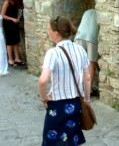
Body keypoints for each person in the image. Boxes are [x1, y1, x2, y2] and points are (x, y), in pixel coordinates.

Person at [38, 16, 91, 145]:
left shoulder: (53, 53)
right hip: (76, 104)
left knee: (53, 141)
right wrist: (87, 100)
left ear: (56, 33)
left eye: (48, 29)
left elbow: (43, 80)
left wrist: (43, 97)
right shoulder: (80, 50)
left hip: (58, 106)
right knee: (71, 140)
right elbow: (87, 78)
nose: (47, 31)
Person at [74, 9, 100, 94]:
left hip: (79, 36)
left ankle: (76, 87)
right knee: (91, 63)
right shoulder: (100, 14)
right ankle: (88, 90)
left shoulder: (87, 11)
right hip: (91, 38)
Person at [1, 0, 25, 68]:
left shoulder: (15, 2)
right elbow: (3, 15)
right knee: (10, 42)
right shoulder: (7, 2)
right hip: (8, 24)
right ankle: (10, 59)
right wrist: (12, 19)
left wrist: (18, 16)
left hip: (14, 23)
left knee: (16, 41)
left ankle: (17, 58)